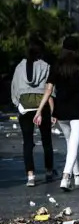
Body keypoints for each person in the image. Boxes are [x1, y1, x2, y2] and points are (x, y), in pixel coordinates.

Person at [33, 36, 79, 191]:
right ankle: (65, 176)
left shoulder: (57, 66)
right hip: (78, 108)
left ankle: (77, 175)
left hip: (61, 108)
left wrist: (39, 110)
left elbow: (48, 90)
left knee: (70, 143)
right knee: (74, 143)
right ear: (77, 49)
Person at [11, 37, 56, 187]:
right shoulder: (46, 66)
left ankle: (30, 176)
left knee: (27, 143)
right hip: (42, 107)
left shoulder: (19, 67)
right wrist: (52, 110)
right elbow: (50, 90)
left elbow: (14, 89)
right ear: (41, 51)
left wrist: (19, 104)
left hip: (25, 107)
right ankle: (49, 171)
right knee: (46, 141)